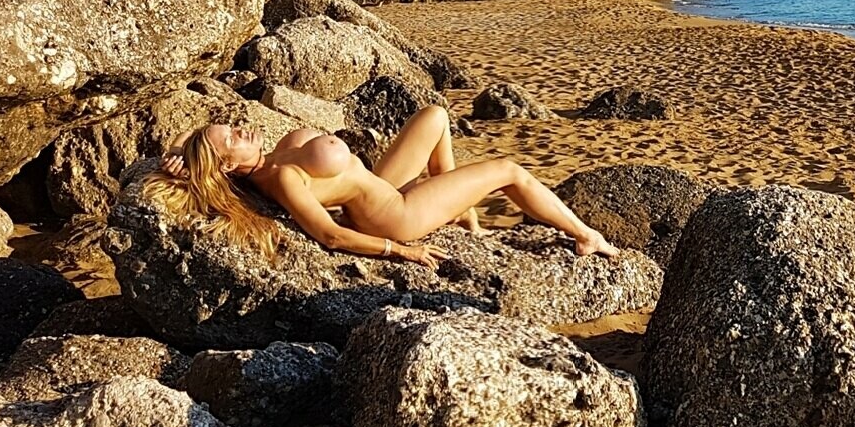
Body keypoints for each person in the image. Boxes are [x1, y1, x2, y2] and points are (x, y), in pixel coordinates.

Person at [153, 104, 619, 265]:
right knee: (509, 170)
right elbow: (330, 236)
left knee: (435, 116)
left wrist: (177, 151)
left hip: (377, 184)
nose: (240, 129)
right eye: (231, 138)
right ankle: (586, 235)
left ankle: (464, 216)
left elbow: (192, 141)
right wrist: (400, 251)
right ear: (226, 165)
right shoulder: (284, 177)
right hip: (396, 216)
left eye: (233, 126)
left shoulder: (269, 157)